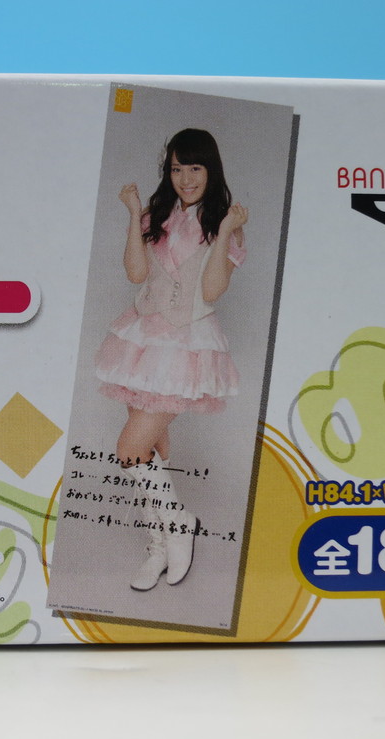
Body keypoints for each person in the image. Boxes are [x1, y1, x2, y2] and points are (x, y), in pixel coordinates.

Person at [94, 128, 248, 591]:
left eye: (194, 168)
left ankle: (179, 523)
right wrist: (131, 214)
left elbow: (212, 290)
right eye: (177, 168)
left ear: (211, 170)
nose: (185, 178)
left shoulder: (225, 222)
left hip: (186, 345)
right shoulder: (154, 215)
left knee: (130, 448)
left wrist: (224, 231)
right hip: (141, 340)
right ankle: (160, 545)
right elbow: (136, 272)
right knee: (151, 448)